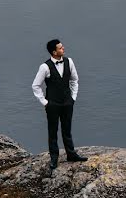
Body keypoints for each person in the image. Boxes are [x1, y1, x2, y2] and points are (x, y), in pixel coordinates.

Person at [32, 39, 87, 170]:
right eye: (61, 48)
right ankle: (54, 158)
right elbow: (35, 86)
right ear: (54, 52)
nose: (64, 49)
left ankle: (71, 154)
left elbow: (75, 80)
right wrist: (45, 102)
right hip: (53, 104)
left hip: (67, 103)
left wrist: (73, 97)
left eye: (62, 47)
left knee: (67, 129)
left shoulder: (69, 61)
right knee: (53, 131)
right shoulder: (45, 67)